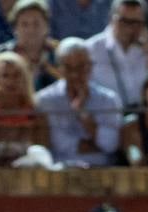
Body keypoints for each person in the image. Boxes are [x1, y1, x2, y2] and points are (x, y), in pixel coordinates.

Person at [35, 37, 121, 166]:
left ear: (90, 66)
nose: (75, 74)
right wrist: (93, 145)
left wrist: (84, 116)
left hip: (101, 171)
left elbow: (110, 145)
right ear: (59, 68)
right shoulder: (45, 100)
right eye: (68, 68)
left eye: (81, 67)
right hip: (59, 172)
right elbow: (56, 143)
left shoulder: (109, 99)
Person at [85, 0, 148, 107]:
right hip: (105, 113)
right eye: (123, 21)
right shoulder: (90, 49)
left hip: (144, 114)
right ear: (111, 19)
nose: (129, 27)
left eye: (135, 22)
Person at [0, 0, 61, 96]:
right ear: (15, 28)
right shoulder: (3, 53)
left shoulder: (58, 52)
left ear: (47, 26)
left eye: (36, 23)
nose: (31, 30)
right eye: (24, 24)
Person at [0, 51, 51, 164]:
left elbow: (44, 151)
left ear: (25, 78)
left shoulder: (36, 114)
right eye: (5, 76)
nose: (11, 81)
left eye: (16, 75)